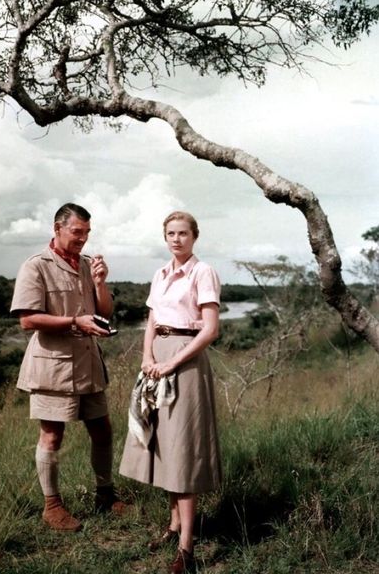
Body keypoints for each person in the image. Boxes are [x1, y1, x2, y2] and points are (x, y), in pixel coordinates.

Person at [11, 202, 125, 532]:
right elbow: (27, 319)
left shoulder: (88, 265)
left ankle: (106, 496)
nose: (83, 239)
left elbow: (104, 313)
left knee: (102, 430)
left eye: (87, 233)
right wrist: (75, 321)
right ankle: (52, 506)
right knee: (51, 435)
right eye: (77, 232)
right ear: (57, 228)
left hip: (88, 362)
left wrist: (101, 284)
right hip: (53, 366)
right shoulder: (36, 266)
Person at [119, 211, 222, 573]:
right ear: (165, 238)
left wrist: (171, 362)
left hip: (186, 361)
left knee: (182, 450)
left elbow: (210, 330)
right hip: (157, 360)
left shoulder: (202, 272)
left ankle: (187, 550)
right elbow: (152, 321)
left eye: (183, 233)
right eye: (170, 233)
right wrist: (148, 356)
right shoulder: (160, 273)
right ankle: (174, 524)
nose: (176, 239)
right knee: (162, 443)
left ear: (194, 236)